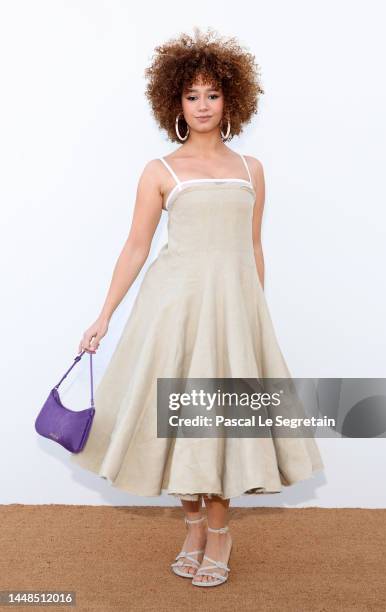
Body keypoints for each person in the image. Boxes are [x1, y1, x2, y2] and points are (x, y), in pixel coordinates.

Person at [70, 27, 324, 587]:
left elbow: (254, 247)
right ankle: (191, 526)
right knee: (179, 421)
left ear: (231, 100)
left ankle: (221, 535)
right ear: (175, 104)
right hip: (173, 309)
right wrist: (103, 315)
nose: (203, 105)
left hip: (233, 312)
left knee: (225, 424)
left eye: (212, 94)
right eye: (192, 95)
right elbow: (137, 245)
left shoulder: (251, 169)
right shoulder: (160, 171)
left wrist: (254, 313)